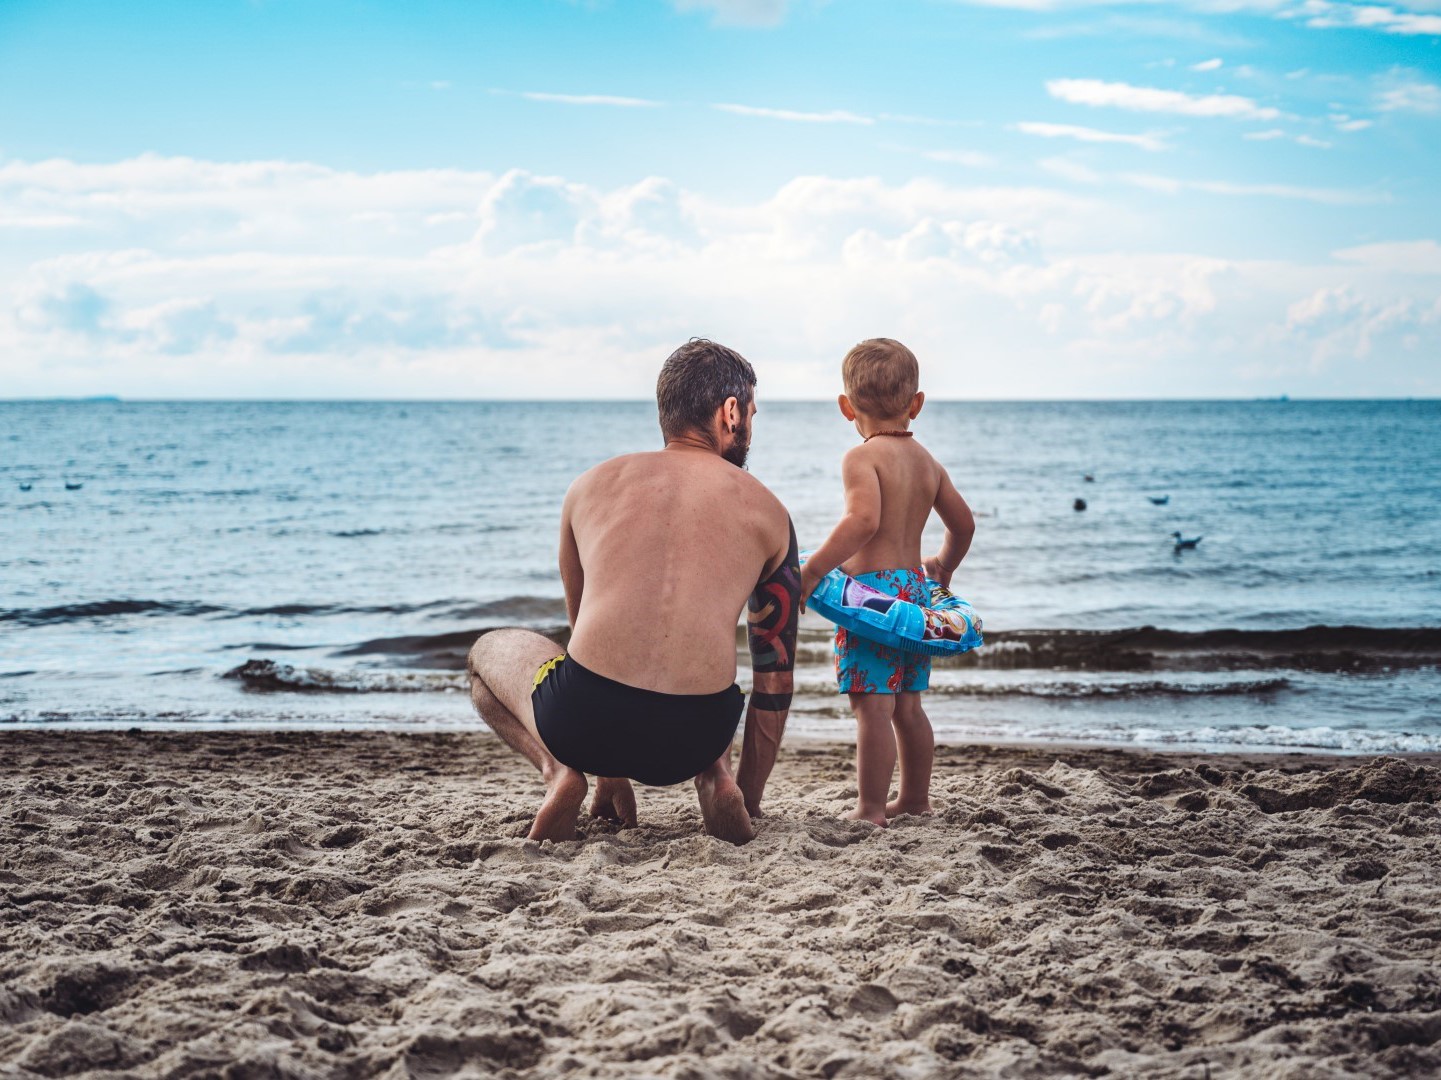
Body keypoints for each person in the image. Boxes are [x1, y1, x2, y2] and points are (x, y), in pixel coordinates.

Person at [466, 339, 800, 845]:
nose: (751, 428)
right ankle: (717, 780)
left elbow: (584, 633)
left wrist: (608, 770)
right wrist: (749, 799)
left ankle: (562, 773)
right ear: (730, 413)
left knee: (485, 654)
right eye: (752, 414)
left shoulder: (590, 486)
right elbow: (775, 679)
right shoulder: (770, 513)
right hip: (695, 737)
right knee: (714, 667)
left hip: (584, 721)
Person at [798, 338, 975, 826]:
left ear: (846, 407)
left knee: (871, 707)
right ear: (915, 405)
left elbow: (862, 522)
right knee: (908, 706)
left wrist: (812, 572)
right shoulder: (928, 464)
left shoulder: (862, 458)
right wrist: (942, 567)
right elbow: (964, 526)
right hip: (915, 596)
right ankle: (915, 798)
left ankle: (871, 808)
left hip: (872, 600)